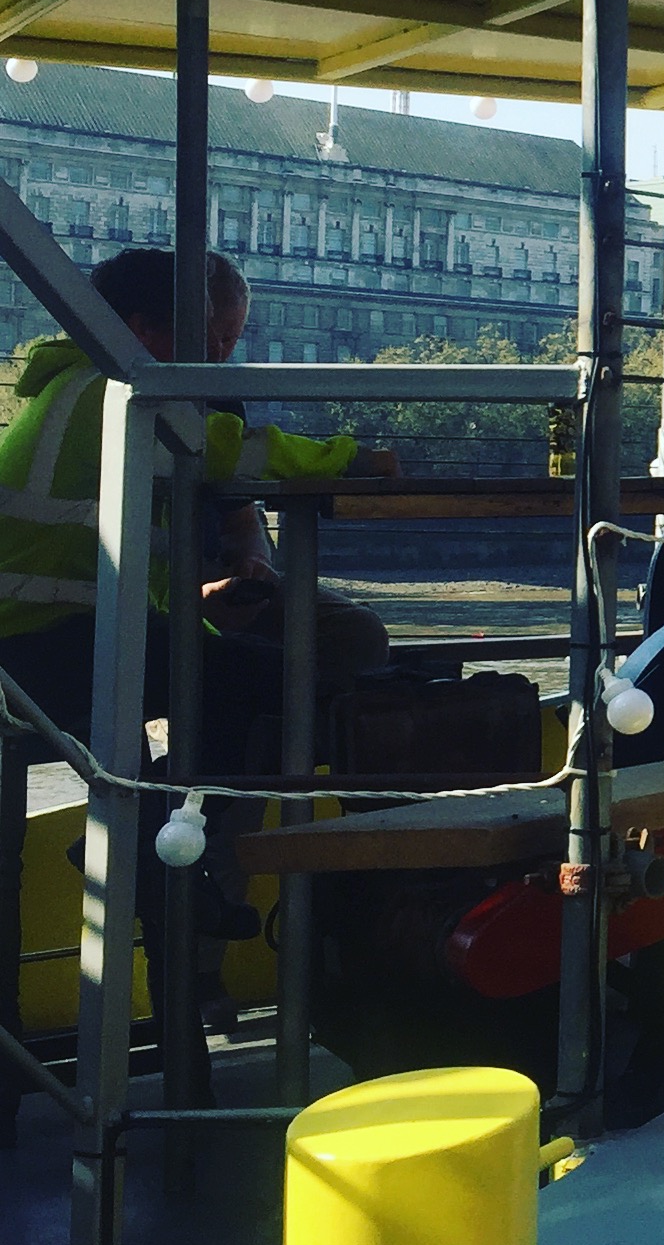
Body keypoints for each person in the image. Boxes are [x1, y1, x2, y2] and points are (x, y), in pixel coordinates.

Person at [0, 249, 396, 994]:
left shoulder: (77, 393)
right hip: (42, 650)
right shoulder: (113, 395)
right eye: (208, 337)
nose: (220, 357)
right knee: (255, 681)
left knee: (235, 675)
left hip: (58, 636)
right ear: (146, 332)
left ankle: (167, 848)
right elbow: (227, 453)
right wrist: (352, 458)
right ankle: (175, 846)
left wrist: (210, 594)